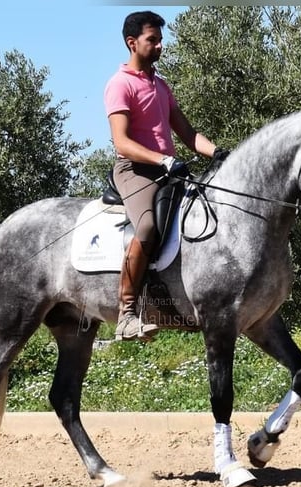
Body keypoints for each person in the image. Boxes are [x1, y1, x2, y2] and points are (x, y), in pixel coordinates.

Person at [104, 10, 226, 341]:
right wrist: (162, 160)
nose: (160, 46)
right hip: (135, 170)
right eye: (152, 40)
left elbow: (188, 134)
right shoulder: (120, 85)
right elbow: (122, 142)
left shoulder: (160, 85)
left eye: (160, 40)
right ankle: (127, 313)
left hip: (166, 169)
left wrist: (218, 152)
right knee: (146, 228)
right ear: (132, 42)